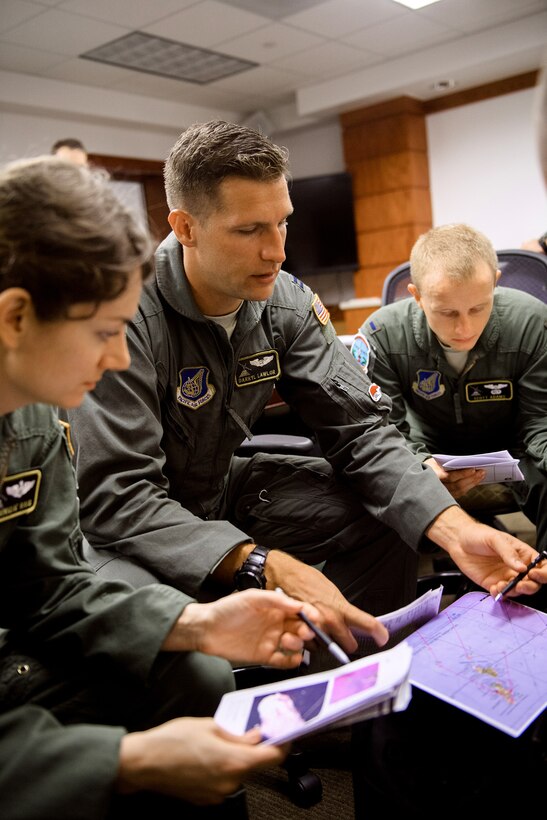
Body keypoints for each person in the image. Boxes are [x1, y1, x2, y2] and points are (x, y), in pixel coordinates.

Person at [66, 120, 544, 644]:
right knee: (177, 661)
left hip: (221, 488)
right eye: (249, 230)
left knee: (394, 514)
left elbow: (360, 433)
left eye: (283, 224)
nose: (277, 251)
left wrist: (454, 529)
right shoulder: (125, 314)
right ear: (185, 228)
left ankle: (362, 685)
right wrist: (262, 564)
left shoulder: (285, 300)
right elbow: (118, 495)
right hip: (125, 527)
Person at [0, 154, 367, 819]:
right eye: (105, 333)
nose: (117, 359)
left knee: (193, 669)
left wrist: (193, 624)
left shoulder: (31, 411)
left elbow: (49, 585)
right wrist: (123, 762)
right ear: (15, 318)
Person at [355, 223, 546, 601]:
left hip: (517, 450)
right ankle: (393, 615)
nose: (465, 327)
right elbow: (382, 431)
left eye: (479, 307)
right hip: (427, 454)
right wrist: (420, 463)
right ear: (417, 295)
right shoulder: (381, 335)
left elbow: (540, 420)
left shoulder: (532, 321)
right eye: (446, 312)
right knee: (374, 483)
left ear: (495, 281)